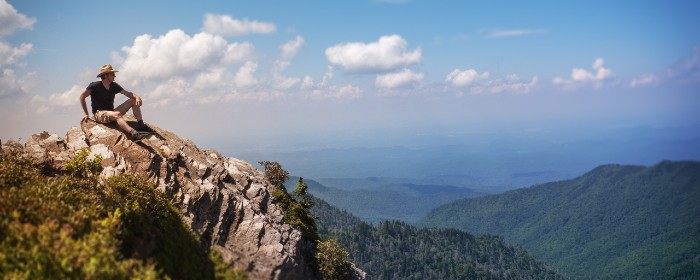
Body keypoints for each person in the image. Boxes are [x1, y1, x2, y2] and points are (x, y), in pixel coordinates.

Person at [79, 64, 150, 141]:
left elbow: (128, 94)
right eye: (112, 74)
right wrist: (86, 113)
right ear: (106, 75)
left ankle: (141, 126)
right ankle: (134, 134)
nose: (115, 76)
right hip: (99, 114)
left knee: (133, 100)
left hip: (111, 112)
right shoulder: (95, 86)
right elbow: (82, 96)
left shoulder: (114, 85)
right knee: (117, 114)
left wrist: (137, 97)